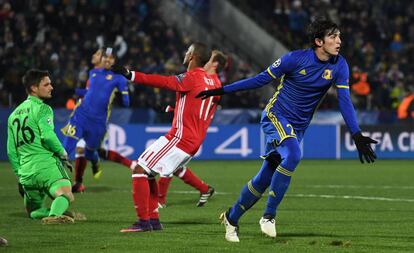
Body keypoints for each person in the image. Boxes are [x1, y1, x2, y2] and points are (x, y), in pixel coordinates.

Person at [197, 19, 378, 242]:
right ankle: (269, 216)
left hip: (298, 127)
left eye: (339, 36)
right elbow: (259, 80)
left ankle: (232, 218)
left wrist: (356, 134)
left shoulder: (340, 65)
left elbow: (345, 101)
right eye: (333, 37)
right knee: (294, 154)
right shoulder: (294, 59)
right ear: (319, 41)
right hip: (276, 116)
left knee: (265, 177)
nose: (339, 41)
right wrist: (222, 90)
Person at [112, 42, 224, 232]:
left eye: (188, 50)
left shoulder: (192, 77)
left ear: (193, 57)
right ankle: (153, 221)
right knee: (148, 173)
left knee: (139, 169)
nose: (185, 52)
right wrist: (175, 110)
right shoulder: (212, 82)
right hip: (192, 140)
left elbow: (163, 81)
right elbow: (200, 113)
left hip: (180, 138)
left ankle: (143, 222)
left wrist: (131, 74)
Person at [157, 50, 228, 208]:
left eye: (209, 59)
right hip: (191, 131)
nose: (205, 61)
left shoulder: (213, 84)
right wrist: (176, 110)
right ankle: (204, 189)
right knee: (175, 166)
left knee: (167, 163)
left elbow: (199, 112)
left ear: (215, 64)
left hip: (192, 133)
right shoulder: (208, 81)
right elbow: (195, 108)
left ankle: (159, 201)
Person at [7, 69, 75, 224]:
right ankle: (54, 216)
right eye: (47, 84)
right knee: (66, 194)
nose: (51, 87)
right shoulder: (43, 109)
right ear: (33, 88)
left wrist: (20, 173)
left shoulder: (13, 115)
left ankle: (47, 213)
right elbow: (48, 136)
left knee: (33, 211)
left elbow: (11, 151)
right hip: (46, 167)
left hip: (26, 173)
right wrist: (63, 153)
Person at [61, 47, 133, 193]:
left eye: (110, 58)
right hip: (80, 116)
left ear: (114, 61)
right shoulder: (93, 73)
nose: (107, 59)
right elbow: (90, 93)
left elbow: (126, 102)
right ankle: (56, 181)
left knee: (89, 152)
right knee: (67, 147)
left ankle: (95, 162)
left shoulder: (119, 78)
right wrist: (73, 91)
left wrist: (123, 93)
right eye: (105, 57)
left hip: (98, 123)